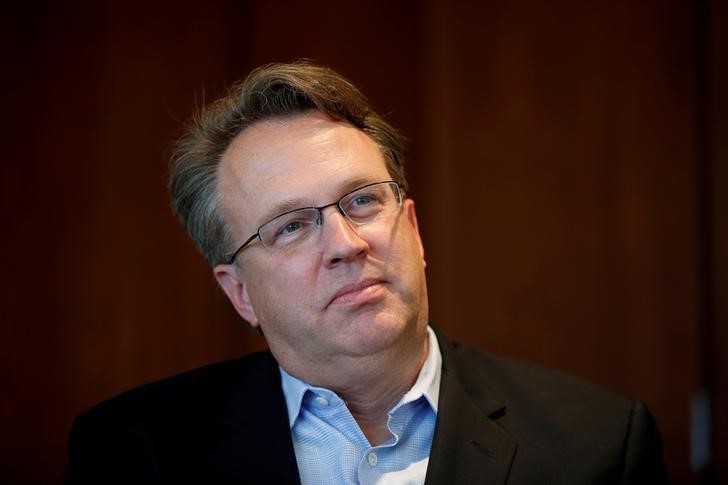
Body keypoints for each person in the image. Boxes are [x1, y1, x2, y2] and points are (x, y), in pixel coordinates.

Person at [65, 61, 670, 484]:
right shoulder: (133, 453)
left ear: (412, 226)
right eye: (292, 226)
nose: (346, 245)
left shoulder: (598, 443)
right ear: (241, 292)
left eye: (361, 201)